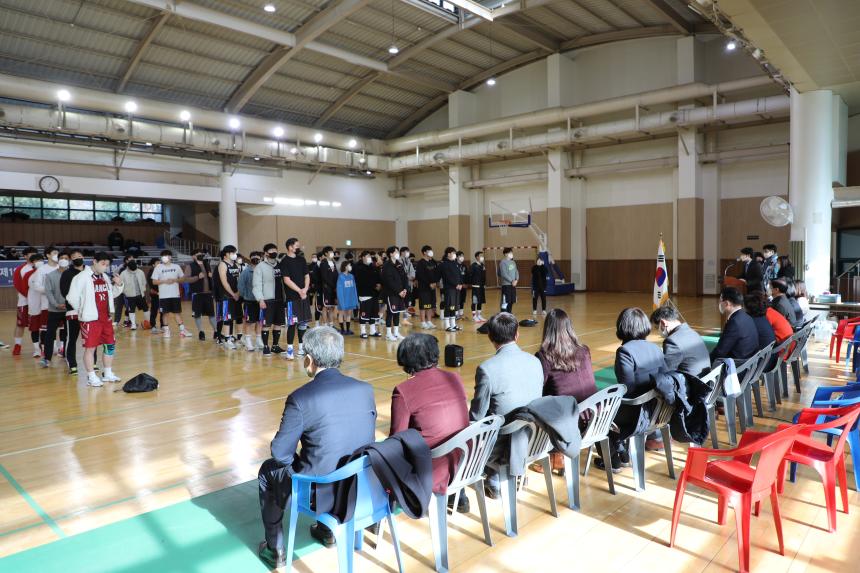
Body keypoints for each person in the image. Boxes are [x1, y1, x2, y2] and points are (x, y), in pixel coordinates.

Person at [256, 327, 377, 568]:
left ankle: (275, 549)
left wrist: (299, 465)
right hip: (360, 484)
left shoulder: (301, 398)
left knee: (268, 471)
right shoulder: (365, 389)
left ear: (309, 360)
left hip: (322, 493)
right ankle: (326, 531)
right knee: (330, 455)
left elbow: (280, 453)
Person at [389, 333, 470, 511]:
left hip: (431, 471)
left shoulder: (403, 391)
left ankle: (387, 506)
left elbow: (396, 439)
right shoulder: (454, 378)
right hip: (465, 462)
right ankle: (458, 495)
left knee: (381, 456)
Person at [470, 312, 543, 497]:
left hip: (503, 444)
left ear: (490, 337)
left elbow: (477, 417)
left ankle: (495, 477)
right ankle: (511, 473)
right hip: (535, 438)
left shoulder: (487, 369)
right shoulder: (535, 361)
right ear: (517, 334)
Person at [596, 308, 667, 472]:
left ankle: (614, 460)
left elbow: (627, 389)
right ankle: (622, 453)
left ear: (622, 326)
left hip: (638, 413)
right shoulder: (655, 348)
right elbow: (666, 378)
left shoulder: (625, 351)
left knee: (599, 416)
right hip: (659, 410)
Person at [67, 252, 124, 387]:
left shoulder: (105, 277)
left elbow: (111, 295)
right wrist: (83, 311)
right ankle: (91, 376)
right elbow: (71, 297)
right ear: (94, 261)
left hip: (106, 318)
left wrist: (119, 284)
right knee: (90, 348)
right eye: (103, 264)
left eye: (107, 265)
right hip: (90, 319)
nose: (105, 267)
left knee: (110, 346)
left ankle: (107, 373)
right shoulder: (81, 277)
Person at [536, 308, 596, 401]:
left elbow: (538, 388)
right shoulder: (584, 350)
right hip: (595, 407)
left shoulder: (544, 356)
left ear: (547, 330)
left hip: (568, 409)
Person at [649, 305, 710, 377]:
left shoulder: (672, 341)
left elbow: (666, 371)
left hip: (691, 381)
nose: (657, 331)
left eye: (657, 327)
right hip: (704, 377)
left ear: (663, 323)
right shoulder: (691, 332)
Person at [279, 238, 313, 360]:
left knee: (303, 323)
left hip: (303, 296)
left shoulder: (301, 260)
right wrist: (299, 290)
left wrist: (305, 289)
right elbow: (286, 280)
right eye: (296, 245)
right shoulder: (284, 262)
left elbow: (307, 276)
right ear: (290, 247)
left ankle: (301, 348)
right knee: (292, 324)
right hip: (292, 297)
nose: (298, 247)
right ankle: (290, 350)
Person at [710, 287, 759, 363]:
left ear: (727, 303)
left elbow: (720, 352)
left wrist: (707, 362)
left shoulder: (734, 322)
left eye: (720, 301)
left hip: (737, 365)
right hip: (749, 361)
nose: (719, 304)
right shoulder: (746, 316)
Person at [254, 243, 285, 356]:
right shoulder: (260, 267)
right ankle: (266, 346)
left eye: (275, 250)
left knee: (278, 323)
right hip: (267, 299)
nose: (274, 252)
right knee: (266, 324)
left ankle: (275, 346)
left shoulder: (280, 265)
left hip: (280, 298)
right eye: (271, 250)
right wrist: (260, 299)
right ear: (266, 253)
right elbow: (256, 285)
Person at [151, 250, 190, 338]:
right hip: (163, 296)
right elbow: (154, 281)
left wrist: (175, 280)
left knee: (177, 313)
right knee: (165, 313)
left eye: (165, 256)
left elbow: (182, 279)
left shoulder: (176, 267)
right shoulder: (158, 267)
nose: (164, 258)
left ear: (170, 257)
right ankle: (166, 331)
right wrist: (165, 281)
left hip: (175, 294)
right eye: (162, 256)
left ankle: (182, 330)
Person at [42, 251, 71, 368]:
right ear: (58, 260)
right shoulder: (50, 276)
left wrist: (68, 304)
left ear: (69, 260)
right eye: (61, 258)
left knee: (68, 334)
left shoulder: (73, 275)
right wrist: (56, 304)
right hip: (54, 310)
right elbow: (48, 292)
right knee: (50, 334)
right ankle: (47, 358)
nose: (64, 260)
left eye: (66, 258)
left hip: (69, 310)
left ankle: (67, 356)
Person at [61, 249, 85, 374]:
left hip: (88, 311)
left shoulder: (89, 272)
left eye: (79, 256)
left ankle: (94, 363)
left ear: (83, 257)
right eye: (74, 257)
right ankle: (72, 364)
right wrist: (78, 302)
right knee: (72, 338)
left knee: (90, 339)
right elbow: (65, 292)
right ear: (71, 260)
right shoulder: (67, 274)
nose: (77, 258)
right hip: (73, 311)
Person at [185, 248, 217, 341]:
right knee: (197, 314)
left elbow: (211, 277)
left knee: (211, 313)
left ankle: (216, 331)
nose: (200, 255)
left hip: (208, 293)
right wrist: (197, 277)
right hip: (197, 293)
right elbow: (186, 279)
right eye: (198, 254)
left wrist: (212, 276)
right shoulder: (190, 266)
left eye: (201, 254)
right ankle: (201, 332)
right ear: (193, 256)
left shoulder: (207, 264)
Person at [11, 246, 37, 355]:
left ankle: (39, 347)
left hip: (38, 302)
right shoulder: (20, 269)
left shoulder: (41, 268)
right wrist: (29, 296)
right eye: (31, 254)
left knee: (37, 325)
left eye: (34, 253)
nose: (33, 256)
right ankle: (17, 345)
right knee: (20, 324)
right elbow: (18, 285)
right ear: (25, 256)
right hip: (24, 302)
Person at [215, 245, 242, 349]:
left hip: (236, 295)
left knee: (236, 317)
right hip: (226, 296)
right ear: (226, 254)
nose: (235, 255)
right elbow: (224, 282)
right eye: (233, 253)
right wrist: (232, 293)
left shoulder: (235, 264)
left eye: (235, 253)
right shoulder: (222, 264)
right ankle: (226, 340)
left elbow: (239, 280)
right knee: (227, 317)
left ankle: (234, 337)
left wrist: (238, 292)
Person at [381, 246, 408, 341]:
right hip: (391, 293)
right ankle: (388, 334)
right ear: (391, 254)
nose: (397, 253)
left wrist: (405, 289)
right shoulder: (386, 266)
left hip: (401, 293)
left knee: (397, 313)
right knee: (390, 313)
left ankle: (396, 333)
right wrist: (398, 291)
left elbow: (404, 277)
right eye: (396, 251)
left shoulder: (399, 264)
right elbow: (389, 281)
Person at [354, 251, 382, 339]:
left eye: (370, 256)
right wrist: (374, 285)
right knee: (364, 313)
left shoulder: (373, 267)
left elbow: (378, 276)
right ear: (363, 257)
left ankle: (372, 331)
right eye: (367, 256)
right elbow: (362, 281)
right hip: (365, 293)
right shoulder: (359, 268)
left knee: (374, 313)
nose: (369, 257)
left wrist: (379, 284)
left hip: (374, 293)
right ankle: (363, 331)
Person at [743, 293, 777, 362]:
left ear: (748, 308)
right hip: (769, 359)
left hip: (761, 362)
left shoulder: (752, 323)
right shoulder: (762, 319)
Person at [239, 252, 262, 351]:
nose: (256, 259)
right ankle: (247, 340)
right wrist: (246, 295)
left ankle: (258, 339)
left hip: (260, 301)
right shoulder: (245, 272)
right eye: (254, 257)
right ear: (250, 258)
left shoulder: (262, 271)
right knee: (249, 321)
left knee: (260, 321)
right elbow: (240, 286)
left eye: (257, 257)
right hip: (249, 301)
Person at [119, 257, 148, 330]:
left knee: (146, 308)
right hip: (130, 295)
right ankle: (133, 324)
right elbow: (120, 284)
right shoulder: (123, 273)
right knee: (131, 310)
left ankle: (147, 322)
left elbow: (144, 282)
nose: (134, 271)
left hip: (140, 294)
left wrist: (143, 289)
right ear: (128, 267)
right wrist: (125, 292)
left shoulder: (140, 272)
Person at [414, 245, 439, 329]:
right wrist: (429, 283)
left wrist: (435, 282)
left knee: (430, 305)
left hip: (432, 287)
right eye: (429, 250)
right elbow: (420, 275)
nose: (431, 252)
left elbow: (436, 273)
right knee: (423, 305)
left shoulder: (432, 262)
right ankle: (423, 322)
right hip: (424, 287)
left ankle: (429, 321)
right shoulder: (420, 263)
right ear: (424, 252)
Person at [439, 247, 462, 333]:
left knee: (453, 306)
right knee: (448, 306)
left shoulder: (455, 263)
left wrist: (460, 283)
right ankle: (447, 325)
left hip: (456, 289)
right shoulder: (444, 264)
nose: (455, 255)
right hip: (449, 288)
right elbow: (447, 277)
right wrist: (456, 284)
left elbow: (459, 275)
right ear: (448, 254)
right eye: (453, 253)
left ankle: (453, 324)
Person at [317, 246, 338, 328]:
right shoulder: (323, 263)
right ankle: (325, 325)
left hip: (334, 289)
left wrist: (337, 286)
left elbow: (336, 275)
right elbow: (324, 277)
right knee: (325, 307)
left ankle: (331, 325)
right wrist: (332, 286)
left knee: (332, 307)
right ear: (326, 253)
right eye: (330, 252)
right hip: (326, 289)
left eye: (332, 252)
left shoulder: (333, 263)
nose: (332, 253)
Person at [336, 260, 358, 335]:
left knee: (349, 314)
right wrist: (340, 300)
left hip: (350, 298)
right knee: (341, 314)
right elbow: (339, 289)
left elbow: (354, 288)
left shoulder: (351, 276)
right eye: (349, 265)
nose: (350, 267)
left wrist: (355, 299)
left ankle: (348, 329)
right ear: (345, 267)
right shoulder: (340, 276)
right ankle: (342, 330)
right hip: (343, 298)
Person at [146, 257, 165, 334]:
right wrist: (157, 292)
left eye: (160, 262)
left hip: (163, 294)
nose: (159, 264)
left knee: (163, 310)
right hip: (155, 294)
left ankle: (163, 325)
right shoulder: (151, 272)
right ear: (153, 264)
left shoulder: (162, 271)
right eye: (157, 263)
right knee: (154, 310)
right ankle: (153, 326)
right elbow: (151, 285)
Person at [498, 247, 518, 314]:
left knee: (511, 301)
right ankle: (503, 315)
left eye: (512, 252)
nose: (512, 254)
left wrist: (516, 280)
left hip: (513, 285)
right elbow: (503, 274)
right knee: (505, 301)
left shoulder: (513, 262)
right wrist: (512, 281)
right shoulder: (502, 262)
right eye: (510, 253)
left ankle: (509, 313)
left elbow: (516, 272)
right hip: (506, 285)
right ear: (506, 254)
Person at [400, 246, 416, 326]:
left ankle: (404, 319)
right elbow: (401, 273)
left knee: (406, 303)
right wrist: (407, 277)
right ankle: (396, 320)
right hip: (401, 285)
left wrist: (412, 277)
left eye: (408, 252)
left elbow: (412, 272)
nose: (407, 253)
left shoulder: (409, 261)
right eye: (406, 252)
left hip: (409, 284)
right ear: (402, 252)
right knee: (399, 303)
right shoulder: (398, 261)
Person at [470, 251, 487, 323]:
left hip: (481, 286)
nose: (482, 257)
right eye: (481, 256)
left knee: (480, 301)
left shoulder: (482, 265)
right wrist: (473, 283)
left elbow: (484, 276)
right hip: (475, 286)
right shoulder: (473, 266)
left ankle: (479, 315)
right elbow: (470, 275)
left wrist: (484, 284)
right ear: (477, 257)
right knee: (475, 301)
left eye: (483, 256)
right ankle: (474, 316)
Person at [456, 251, 468, 320]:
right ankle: (456, 314)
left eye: (463, 256)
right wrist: (460, 283)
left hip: (464, 286)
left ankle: (461, 314)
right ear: (457, 257)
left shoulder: (464, 266)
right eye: (461, 256)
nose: (462, 257)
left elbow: (466, 275)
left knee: (462, 300)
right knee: (457, 300)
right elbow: (456, 276)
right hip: (457, 286)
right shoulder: (455, 265)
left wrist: (466, 283)